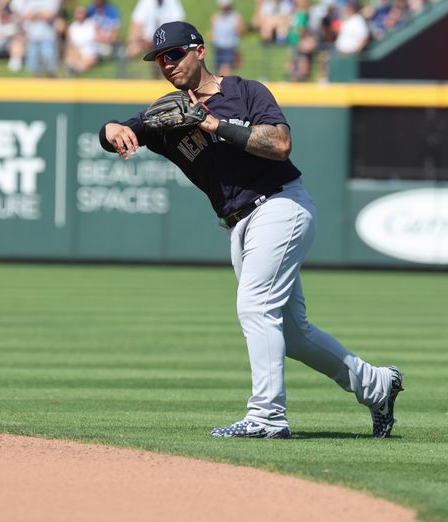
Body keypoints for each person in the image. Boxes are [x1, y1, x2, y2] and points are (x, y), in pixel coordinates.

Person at [99, 21, 404, 439]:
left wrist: (213, 124)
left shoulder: (245, 92)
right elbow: (124, 128)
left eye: (174, 55)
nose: (166, 65)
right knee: (294, 336)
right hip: (238, 225)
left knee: (255, 306)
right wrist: (112, 130)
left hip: (281, 205)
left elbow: (279, 145)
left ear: (199, 51)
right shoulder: (168, 112)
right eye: (159, 60)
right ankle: (377, 385)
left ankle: (267, 418)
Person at [11, 0, 60, 76]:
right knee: (34, 67)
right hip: (33, 36)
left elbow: (49, 15)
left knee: (49, 64)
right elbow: (27, 15)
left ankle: (52, 84)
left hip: (48, 37)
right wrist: (41, 14)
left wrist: (35, 14)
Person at [209, 0, 245, 77]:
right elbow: (212, 32)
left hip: (230, 48)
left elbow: (242, 31)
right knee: (217, 71)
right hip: (218, 48)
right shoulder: (216, 17)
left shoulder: (235, 17)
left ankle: (224, 87)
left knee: (225, 71)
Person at [64, 5, 99, 75]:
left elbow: (98, 39)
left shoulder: (91, 25)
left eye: (81, 13)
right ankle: (74, 69)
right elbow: (71, 43)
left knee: (88, 59)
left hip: (90, 52)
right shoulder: (72, 27)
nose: (79, 15)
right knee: (70, 56)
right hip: (77, 52)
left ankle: (77, 70)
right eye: (78, 13)